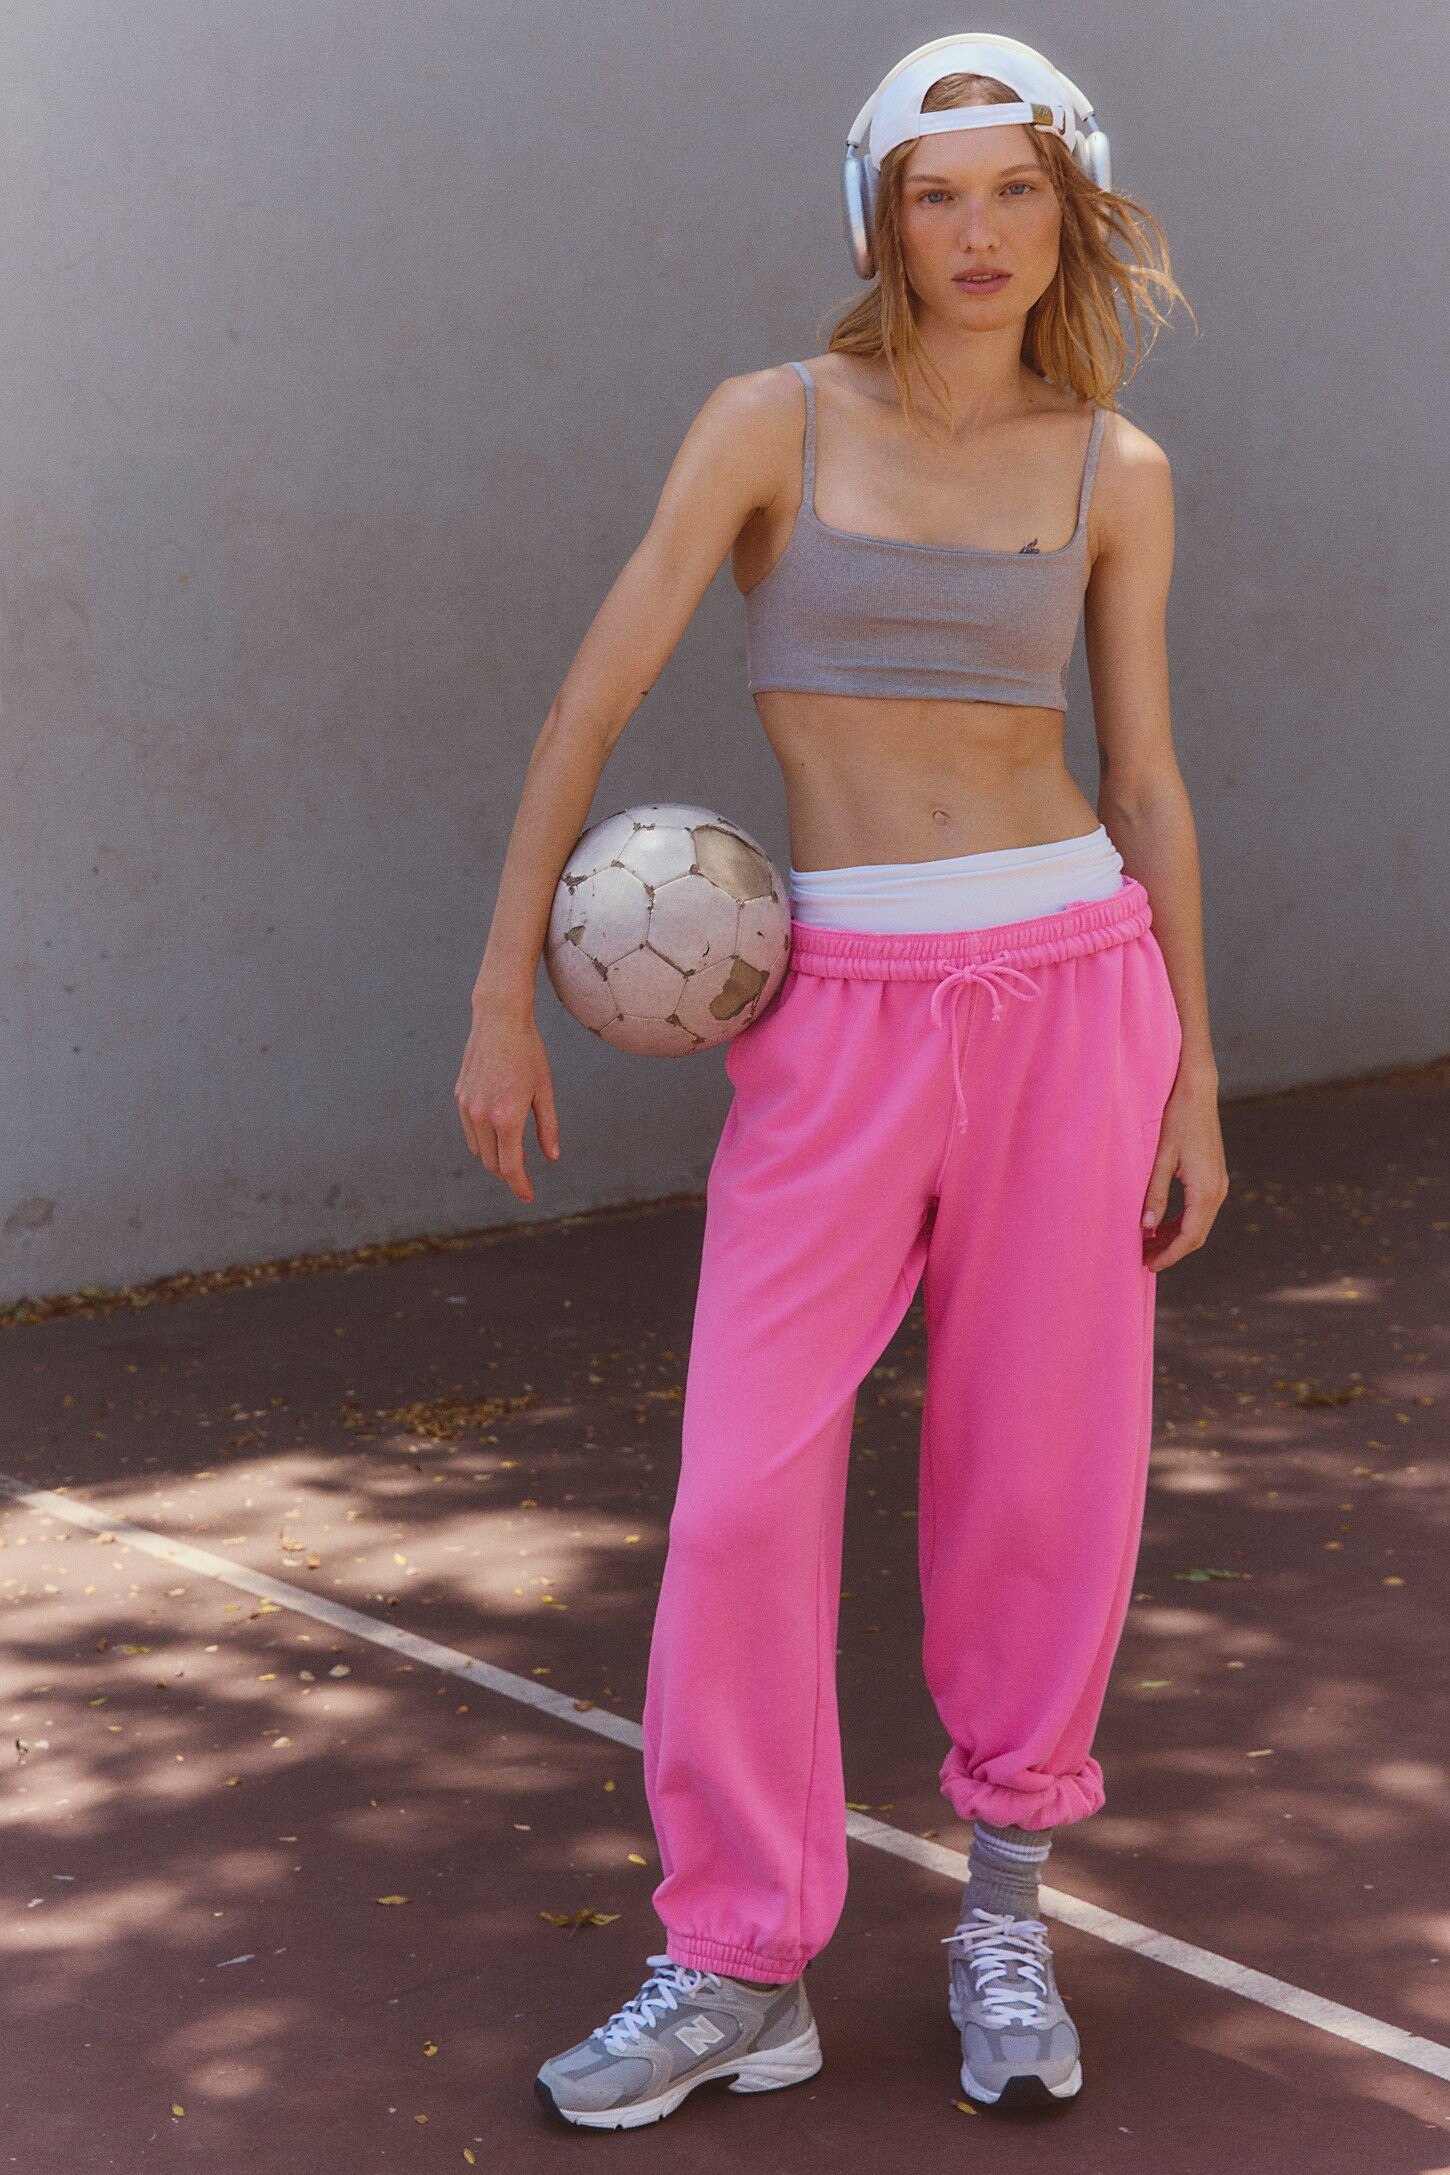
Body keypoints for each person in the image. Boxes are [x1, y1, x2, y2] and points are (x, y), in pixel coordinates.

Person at [455, 33, 1228, 2132]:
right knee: (737, 1493)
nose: (977, 234)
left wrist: (1194, 1074)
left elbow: (1146, 776)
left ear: (1065, 209)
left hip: (1075, 992)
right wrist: (502, 990)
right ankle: (737, 1957)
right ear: (879, 216)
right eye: (934, 194)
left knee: (1041, 1477)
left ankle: (1004, 1913)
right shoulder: (767, 422)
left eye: (1014, 191)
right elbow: (590, 694)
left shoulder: (1116, 468)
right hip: (837, 1012)